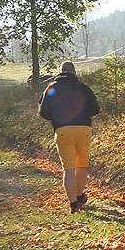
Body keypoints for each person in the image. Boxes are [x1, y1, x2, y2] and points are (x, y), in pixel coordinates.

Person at [39, 61, 102, 213]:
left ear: (60, 72)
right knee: (81, 166)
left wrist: (56, 117)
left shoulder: (52, 88)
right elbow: (95, 108)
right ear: (74, 72)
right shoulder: (83, 88)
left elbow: (43, 111)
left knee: (68, 169)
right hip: (83, 130)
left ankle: (73, 204)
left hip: (63, 130)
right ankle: (80, 197)